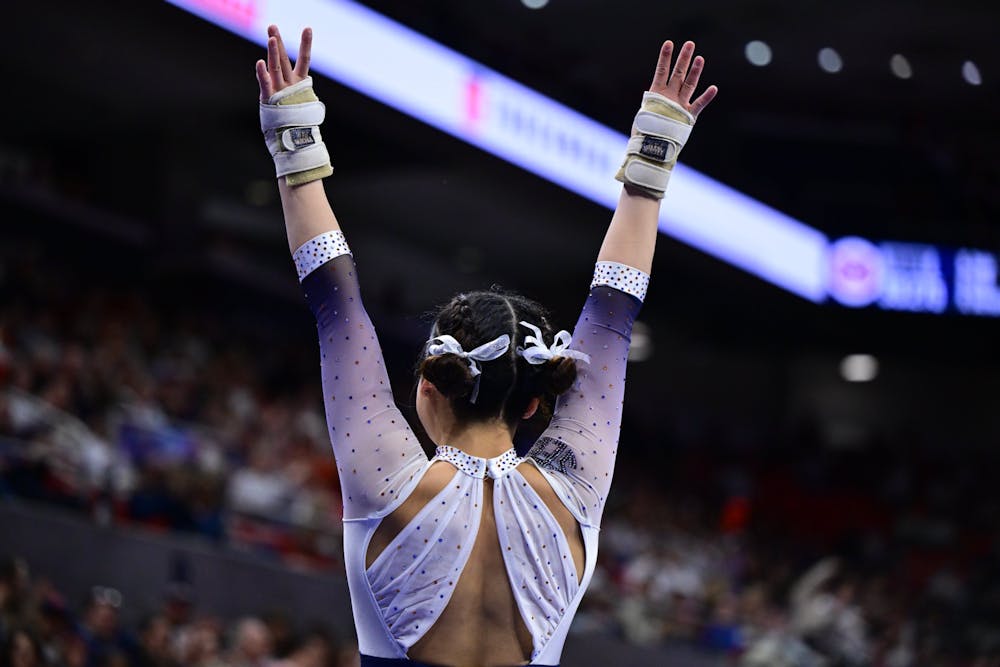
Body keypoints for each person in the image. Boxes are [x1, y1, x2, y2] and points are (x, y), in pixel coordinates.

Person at [254, 24, 716, 667]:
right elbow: (612, 315)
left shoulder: (387, 485)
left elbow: (337, 308)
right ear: (533, 404)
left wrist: (293, 138)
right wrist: (654, 157)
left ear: (428, 383)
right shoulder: (573, 492)